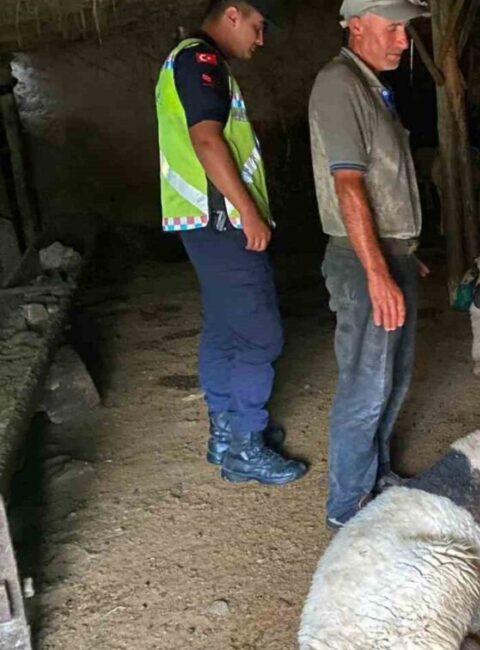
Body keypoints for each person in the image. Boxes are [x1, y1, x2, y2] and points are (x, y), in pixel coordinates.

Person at [155, 0, 307, 485]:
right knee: (260, 333)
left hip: (198, 220)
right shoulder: (201, 60)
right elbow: (206, 140)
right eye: (259, 27)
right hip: (221, 219)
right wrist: (247, 210)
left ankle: (225, 433)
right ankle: (245, 445)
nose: (260, 40)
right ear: (234, 12)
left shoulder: (184, 58)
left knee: (224, 326)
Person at [308, 0, 430, 529]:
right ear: (357, 25)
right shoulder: (338, 85)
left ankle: (375, 478)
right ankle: (347, 508)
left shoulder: (371, 87)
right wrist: (378, 271)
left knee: (392, 378)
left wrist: (401, 254)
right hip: (363, 262)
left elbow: (383, 184)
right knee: (367, 382)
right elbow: (348, 184)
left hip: (387, 254)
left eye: (406, 29)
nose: (404, 40)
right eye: (394, 28)